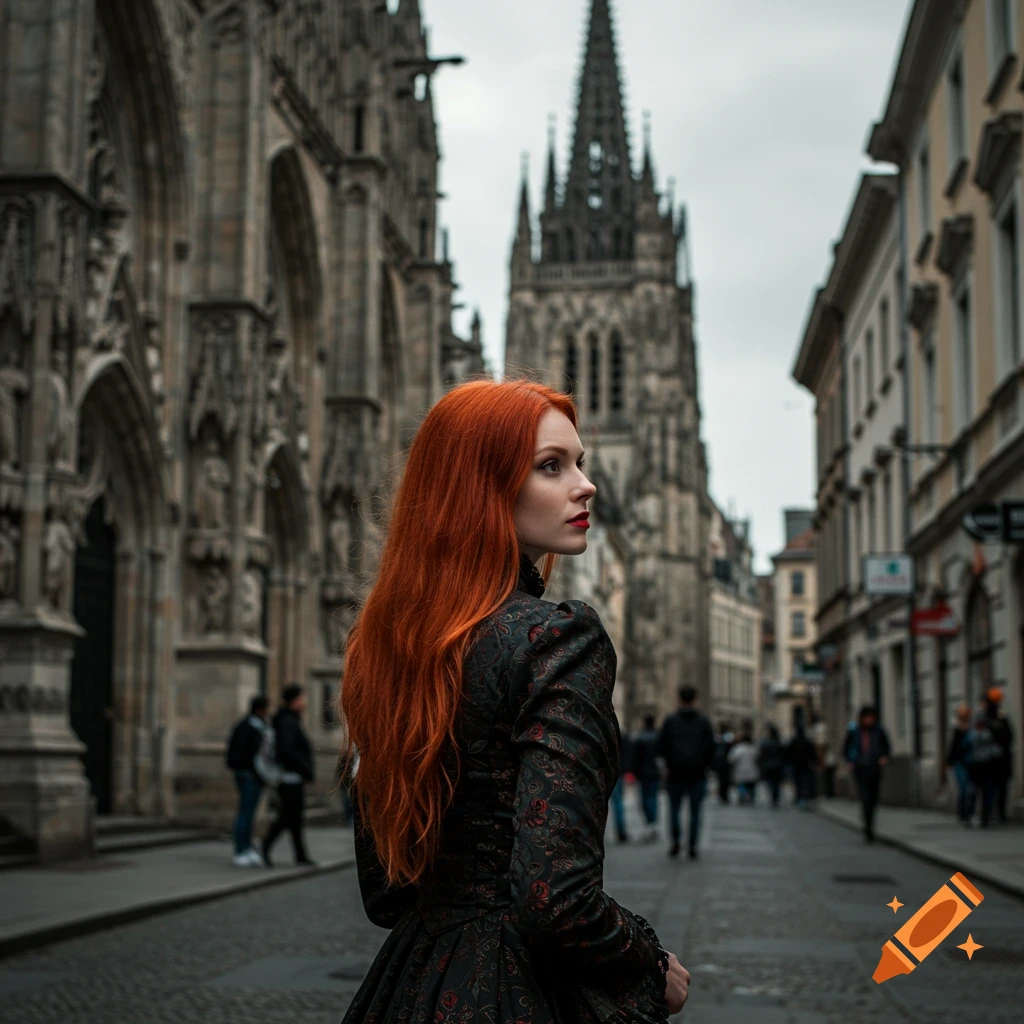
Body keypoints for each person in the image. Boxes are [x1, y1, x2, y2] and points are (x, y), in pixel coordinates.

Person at [339, 380, 690, 1021]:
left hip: (409, 986)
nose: (585, 485)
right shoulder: (555, 640)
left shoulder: (382, 647)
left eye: (578, 463)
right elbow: (556, 897)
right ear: (482, 487)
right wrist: (648, 959)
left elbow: (386, 894)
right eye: (551, 467)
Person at [261, 684, 317, 867]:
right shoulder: (287, 721)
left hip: (293, 776)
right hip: (289, 777)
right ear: (295, 700)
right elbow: (288, 750)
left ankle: (300, 855)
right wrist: (304, 769)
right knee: (288, 816)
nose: (305, 702)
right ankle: (266, 845)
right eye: (302, 698)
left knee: (294, 817)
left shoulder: (289, 719)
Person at [658, 686, 716, 860]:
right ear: (695, 699)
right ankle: (692, 845)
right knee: (695, 811)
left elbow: (661, 746)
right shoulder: (703, 721)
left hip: (675, 772)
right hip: (697, 773)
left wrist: (669, 762)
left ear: (679, 699)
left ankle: (675, 842)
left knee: (674, 810)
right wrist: (705, 765)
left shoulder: (670, 720)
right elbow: (712, 747)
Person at [225, 695, 271, 867]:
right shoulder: (247, 727)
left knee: (249, 813)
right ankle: (240, 850)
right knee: (245, 813)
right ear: (260, 710)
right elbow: (241, 754)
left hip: (253, 774)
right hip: (248, 774)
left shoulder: (256, 726)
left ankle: (247, 847)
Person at [843, 705, 891, 842]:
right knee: (865, 799)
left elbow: (886, 747)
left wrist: (884, 757)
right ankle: (868, 827)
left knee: (874, 799)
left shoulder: (879, 731)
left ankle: (870, 824)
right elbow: (846, 748)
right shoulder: (854, 732)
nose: (869, 720)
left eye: (871, 717)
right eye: (867, 717)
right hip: (860, 769)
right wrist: (850, 761)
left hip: (874, 768)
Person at [968, 702, 1005, 828]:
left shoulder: (985, 735)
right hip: (977, 768)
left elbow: (995, 749)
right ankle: (973, 815)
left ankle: (985, 816)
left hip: (985, 768)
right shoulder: (972, 736)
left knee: (986, 792)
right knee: (975, 791)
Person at [984, 688, 1014, 824]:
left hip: (999, 760)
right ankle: (994, 813)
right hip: (991, 760)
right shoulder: (988, 718)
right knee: (993, 788)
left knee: (999, 788)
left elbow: (1010, 736)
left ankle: (997, 813)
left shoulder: (1001, 718)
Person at [631, 714, 662, 842]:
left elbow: (635, 758)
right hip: (654, 772)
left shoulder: (640, 738)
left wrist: (635, 772)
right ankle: (653, 823)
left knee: (645, 799)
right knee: (653, 798)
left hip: (643, 773)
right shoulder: (658, 737)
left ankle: (649, 823)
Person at [945, 704, 975, 827]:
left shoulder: (972, 729)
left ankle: (969, 814)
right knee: (963, 789)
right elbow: (952, 747)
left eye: (965, 714)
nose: (963, 717)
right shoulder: (956, 729)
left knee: (971, 790)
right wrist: (949, 762)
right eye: (961, 714)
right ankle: (962, 814)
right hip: (959, 763)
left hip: (972, 763)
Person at [610, 725, 633, 843]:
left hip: (606, 771)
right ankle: (621, 831)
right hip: (618, 772)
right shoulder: (622, 735)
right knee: (618, 803)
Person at [787, 726, 817, 809]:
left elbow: (789, 754)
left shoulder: (793, 742)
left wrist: (789, 763)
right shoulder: (807, 742)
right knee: (805, 783)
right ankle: (804, 798)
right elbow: (813, 754)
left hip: (796, 766)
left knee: (798, 783)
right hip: (806, 766)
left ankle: (800, 798)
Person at [728, 729, 759, 805]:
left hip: (740, 771)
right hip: (752, 771)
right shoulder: (753, 748)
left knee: (741, 785)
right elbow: (758, 757)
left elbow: (731, 759)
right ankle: (751, 797)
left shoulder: (738, 749)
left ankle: (744, 795)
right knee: (751, 786)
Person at [758, 724, 785, 808]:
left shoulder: (766, 744)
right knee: (776, 783)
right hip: (777, 766)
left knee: (770, 782)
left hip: (768, 766)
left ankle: (773, 797)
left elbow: (762, 756)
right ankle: (775, 798)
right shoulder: (779, 744)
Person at [713, 723, 734, 804]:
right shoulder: (728, 737)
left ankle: (722, 795)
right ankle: (724, 796)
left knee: (721, 780)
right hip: (726, 762)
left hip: (720, 762)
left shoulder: (718, 737)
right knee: (725, 780)